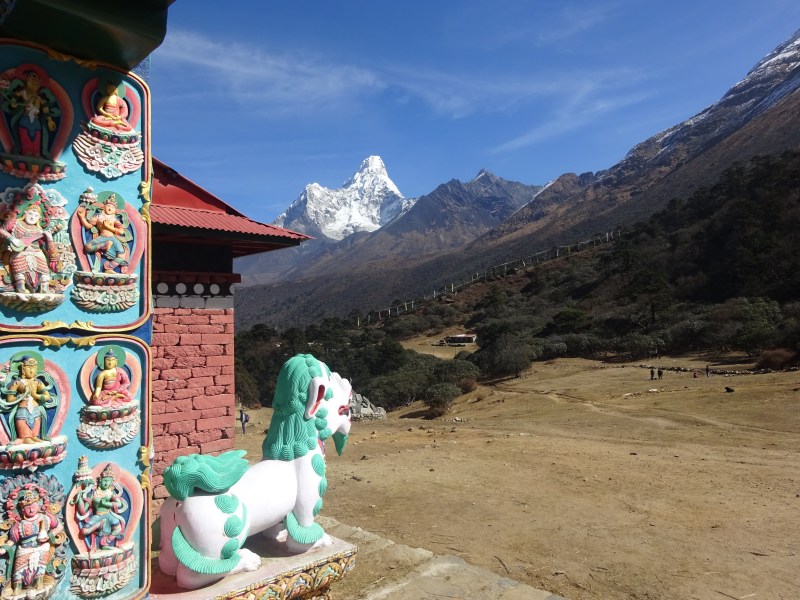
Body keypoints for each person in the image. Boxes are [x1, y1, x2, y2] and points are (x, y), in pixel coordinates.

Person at [2, 488, 63, 595]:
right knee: (18, 572)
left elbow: (59, 526)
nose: (31, 510)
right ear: (22, 510)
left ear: (38, 506)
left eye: (33, 507)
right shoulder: (19, 525)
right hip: (24, 550)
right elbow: (12, 540)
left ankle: (38, 585)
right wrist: (3, 549)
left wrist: (49, 536)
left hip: (41, 547)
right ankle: (16, 589)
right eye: (28, 508)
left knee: (40, 568)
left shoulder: (46, 518)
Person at [0, 202, 59, 293]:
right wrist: (12, 239)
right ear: (25, 213)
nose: (32, 217)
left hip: (36, 252)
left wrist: (49, 238)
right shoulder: (16, 224)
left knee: (44, 270)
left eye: (36, 215)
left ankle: (44, 288)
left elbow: (44, 246)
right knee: (20, 266)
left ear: (39, 218)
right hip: (20, 252)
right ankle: (20, 287)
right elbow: (1, 230)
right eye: (30, 214)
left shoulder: (38, 230)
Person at [74, 464, 127, 550]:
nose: (106, 483)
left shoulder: (110, 493)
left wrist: (107, 504)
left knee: (118, 529)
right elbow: (83, 511)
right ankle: (100, 524)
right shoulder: (93, 494)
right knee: (84, 531)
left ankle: (105, 543)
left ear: (111, 482)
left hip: (109, 514)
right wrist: (79, 498)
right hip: (98, 516)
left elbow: (119, 504)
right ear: (100, 480)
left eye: (109, 481)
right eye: (105, 480)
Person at [0, 356, 52, 444]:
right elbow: (9, 399)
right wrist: (20, 396)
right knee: (22, 419)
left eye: (33, 368)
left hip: (35, 407)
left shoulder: (37, 382)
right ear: (23, 369)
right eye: (28, 368)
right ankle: (24, 437)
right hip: (23, 408)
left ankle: (34, 436)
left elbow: (47, 396)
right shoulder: (18, 382)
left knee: (36, 419)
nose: (31, 371)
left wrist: (36, 395)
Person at [75, 193, 129, 272]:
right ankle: (105, 245)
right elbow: (88, 226)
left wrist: (109, 227)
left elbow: (121, 231)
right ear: (104, 207)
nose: (110, 208)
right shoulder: (98, 216)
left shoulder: (114, 219)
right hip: (102, 237)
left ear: (115, 210)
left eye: (113, 207)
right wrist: (82, 217)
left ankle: (109, 268)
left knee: (122, 256)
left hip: (113, 238)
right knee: (88, 247)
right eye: (108, 206)